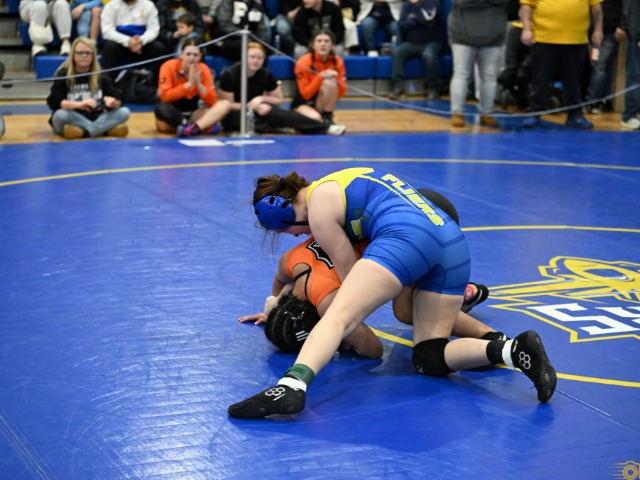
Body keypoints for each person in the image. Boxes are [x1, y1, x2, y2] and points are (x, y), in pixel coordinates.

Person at [227, 168, 557, 419]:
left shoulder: (318, 209)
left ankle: (291, 386)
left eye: (286, 230)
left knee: (339, 316)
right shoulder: (337, 181)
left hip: (405, 237)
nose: (295, 235)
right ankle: (514, 350)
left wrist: (314, 299)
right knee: (429, 356)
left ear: (283, 213)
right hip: (451, 241)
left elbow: (348, 277)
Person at [240, 189, 501, 359]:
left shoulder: (326, 301)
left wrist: (333, 341)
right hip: (413, 210)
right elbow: (281, 281)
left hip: (420, 227)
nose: (298, 235)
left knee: (406, 311)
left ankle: (488, 333)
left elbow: (372, 349)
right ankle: (459, 293)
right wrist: (273, 308)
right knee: (399, 293)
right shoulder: (290, 261)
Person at [218, 42, 347, 134]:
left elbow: (278, 100)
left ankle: (324, 127)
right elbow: (228, 105)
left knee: (284, 115)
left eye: (260, 58)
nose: (256, 61)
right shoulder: (230, 74)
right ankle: (279, 128)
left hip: (260, 109)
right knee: (237, 120)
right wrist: (251, 107)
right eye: (252, 57)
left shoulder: (265, 74)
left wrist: (261, 99)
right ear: (244, 57)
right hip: (237, 112)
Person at [520, 0, 603, 130]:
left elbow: (596, 7)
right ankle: (534, 113)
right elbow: (526, 5)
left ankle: (575, 115)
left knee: (574, 82)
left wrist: (598, 30)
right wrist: (526, 29)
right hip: (544, 38)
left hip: (576, 40)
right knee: (540, 80)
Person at [46, 38, 131, 139]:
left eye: (87, 53)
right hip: (74, 118)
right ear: (73, 55)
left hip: (97, 117)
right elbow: (53, 102)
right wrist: (79, 104)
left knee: (124, 112)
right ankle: (104, 131)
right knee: (60, 115)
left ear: (93, 55)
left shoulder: (101, 75)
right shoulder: (63, 74)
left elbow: (117, 98)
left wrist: (113, 102)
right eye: (80, 53)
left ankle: (85, 132)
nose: (84, 56)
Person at [447, 0, 508, 129]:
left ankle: (486, 112)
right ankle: (457, 113)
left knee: (489, 77)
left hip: (493, 34)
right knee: (462, 74)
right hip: (463, 34)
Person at [155, 38, 232, 136]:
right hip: (172, 114)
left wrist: (199, 84)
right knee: (161, 110)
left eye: (195, 55)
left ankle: (194, 128)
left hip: (194, 114)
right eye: (188, 54)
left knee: (225, 104)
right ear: (181, 54)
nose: (191, 58)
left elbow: (212, 102)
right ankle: (191, 126)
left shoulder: (203, 69)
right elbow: (165, 97)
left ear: (200, 57)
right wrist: (189, 84)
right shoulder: (168, 66)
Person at [389, 0, 443, 100]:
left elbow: (426, 19)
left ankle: (433, 88)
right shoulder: (408, 4)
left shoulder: (434, 2)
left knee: (428, 56)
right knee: (397, 52)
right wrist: (417, 21)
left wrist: (415, 13)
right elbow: (401, 25)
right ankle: (398, 87)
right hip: (412, 43)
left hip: (432, 42)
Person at [291, 29, 347, 124]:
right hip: (303, 103)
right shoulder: (304, 61)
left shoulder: (338, 62)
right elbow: (305, 95)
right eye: (319, 41)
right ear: (313, 45)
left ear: (332, 46)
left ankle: (327, 117)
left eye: (326, 41)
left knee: (330, 83)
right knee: (315, 119)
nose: (323, 44)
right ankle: (321, 122)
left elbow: (341, 93)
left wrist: (336, 78)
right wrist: (321, 76)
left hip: (321, 103)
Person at [100, 0, 166, 81]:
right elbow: (107, 31)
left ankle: (156, 83)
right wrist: (128, 41)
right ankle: (109, 85)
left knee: (159, 47)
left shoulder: (148, 5)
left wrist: (141, 40)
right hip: (121, 44)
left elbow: (153, 30)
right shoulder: (111, 6)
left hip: (142, 44)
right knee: (109, 47)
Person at [584, 0, 624, 115]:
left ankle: (591, 101)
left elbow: (626, 7)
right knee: (596, 66)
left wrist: (622, 26)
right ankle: (598, 100)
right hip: (591, 31)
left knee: (600, 67)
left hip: (611, 31)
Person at [621, 0, 640, 130]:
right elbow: (632, 9)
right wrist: (638, 36)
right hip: (636, 38)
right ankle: (629, 115)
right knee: (634, 76)